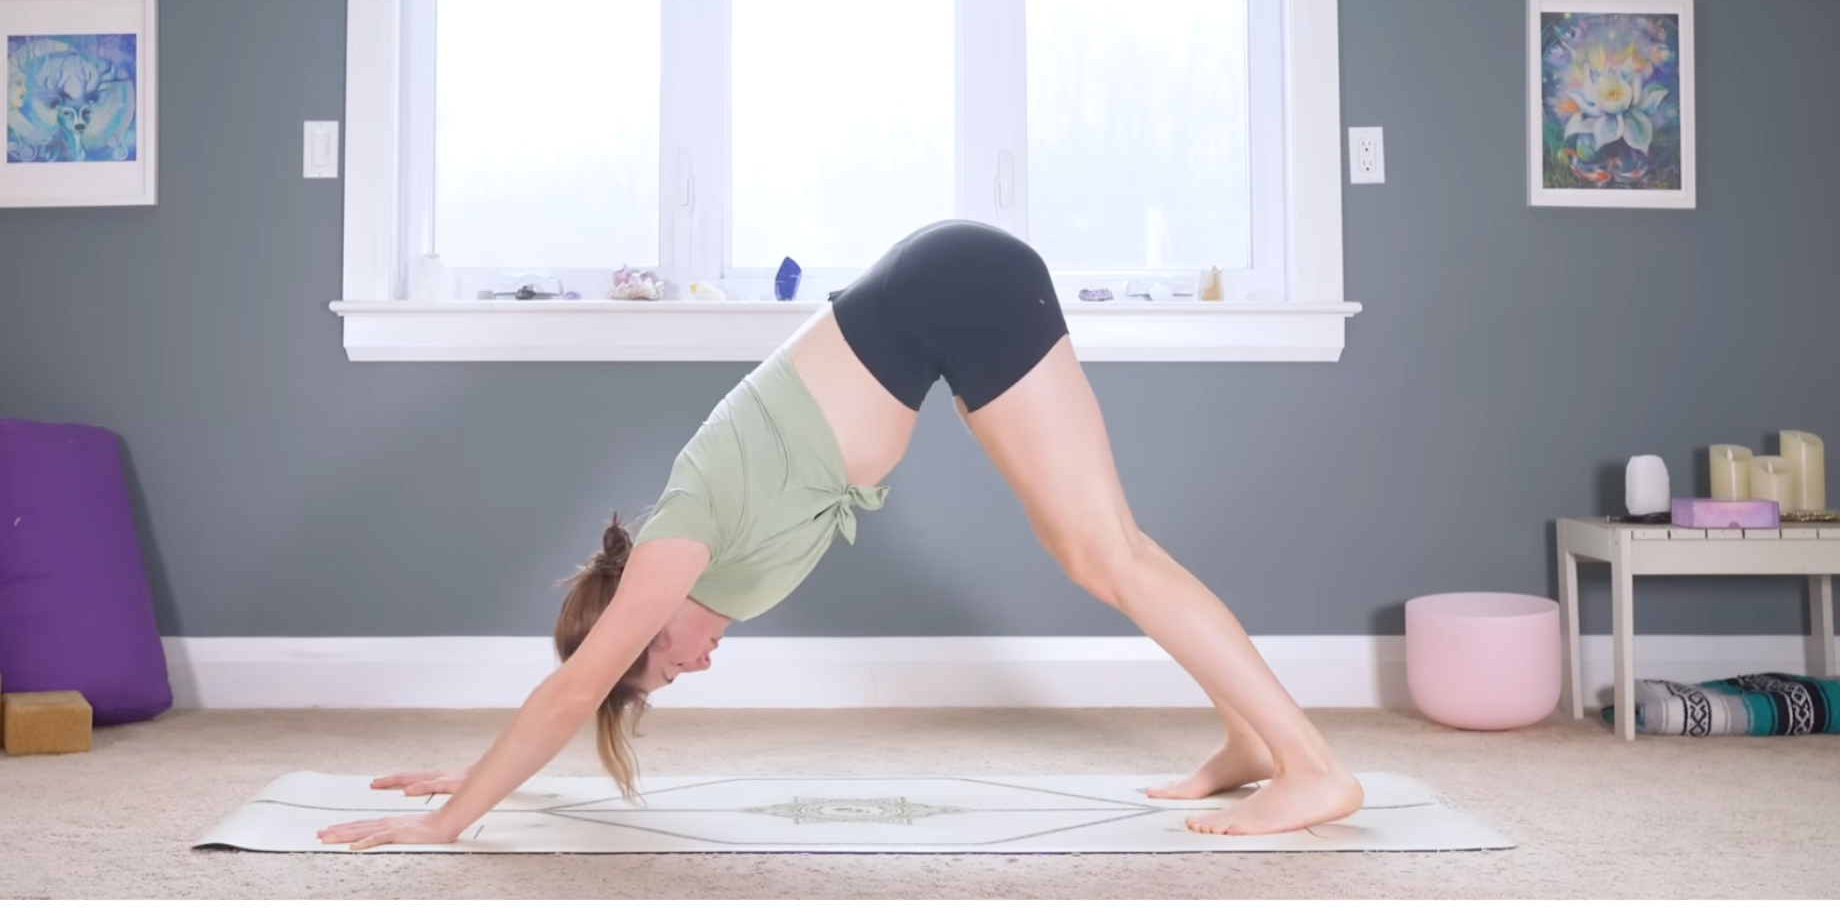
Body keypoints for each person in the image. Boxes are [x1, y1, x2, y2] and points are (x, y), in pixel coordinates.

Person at [317, 220, 1362, 849]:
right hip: (942, 308)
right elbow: (577, 691)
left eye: (666, 671)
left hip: (958, 291)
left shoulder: (682, 532)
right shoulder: (716, 567)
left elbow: (572, 690)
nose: (692, 670)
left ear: (647, 620)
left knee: (1105, 554)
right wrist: (486, 768)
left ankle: (1311, 766)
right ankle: (1252, 739)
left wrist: (446, 824)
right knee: (1100, 545)